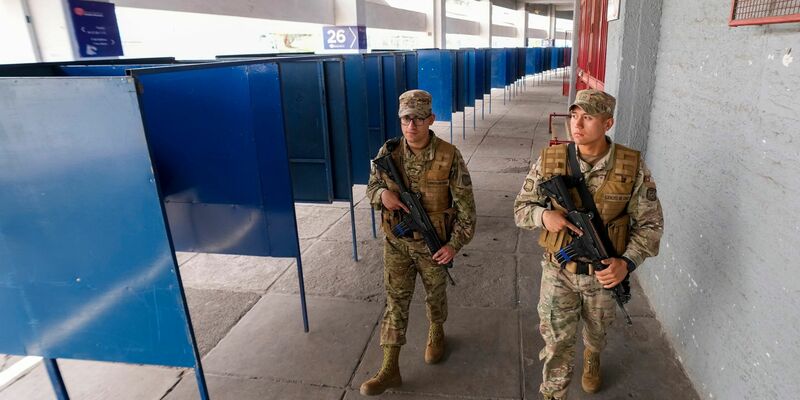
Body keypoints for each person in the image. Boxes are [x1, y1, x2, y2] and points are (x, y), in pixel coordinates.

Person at [514, 89, 664, 400]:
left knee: (597, 331)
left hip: (603, 275)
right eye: (574, 115)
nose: (577, 124)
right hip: (559, 270)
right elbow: (521, 208)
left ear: (608, 123)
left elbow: (651, 225)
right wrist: (544, 216)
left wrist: (627, 263)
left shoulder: (631, 166)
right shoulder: (551, 160)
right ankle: (553, 394)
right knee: (556, 343)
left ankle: (593, 354)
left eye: (588, 117)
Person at [361, 89, 476, 396]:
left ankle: (437, 331)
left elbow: (467, 211)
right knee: (395, 300)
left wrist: (453, 245)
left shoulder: (449, 156)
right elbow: (371, 187)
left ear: (431, 119)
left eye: (419, 119)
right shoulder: (388, 152)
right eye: (406, 119)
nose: (411, 125)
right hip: (397, 243)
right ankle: (390, 367)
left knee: (435, 294)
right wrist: (382, 195)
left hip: (433, 246)